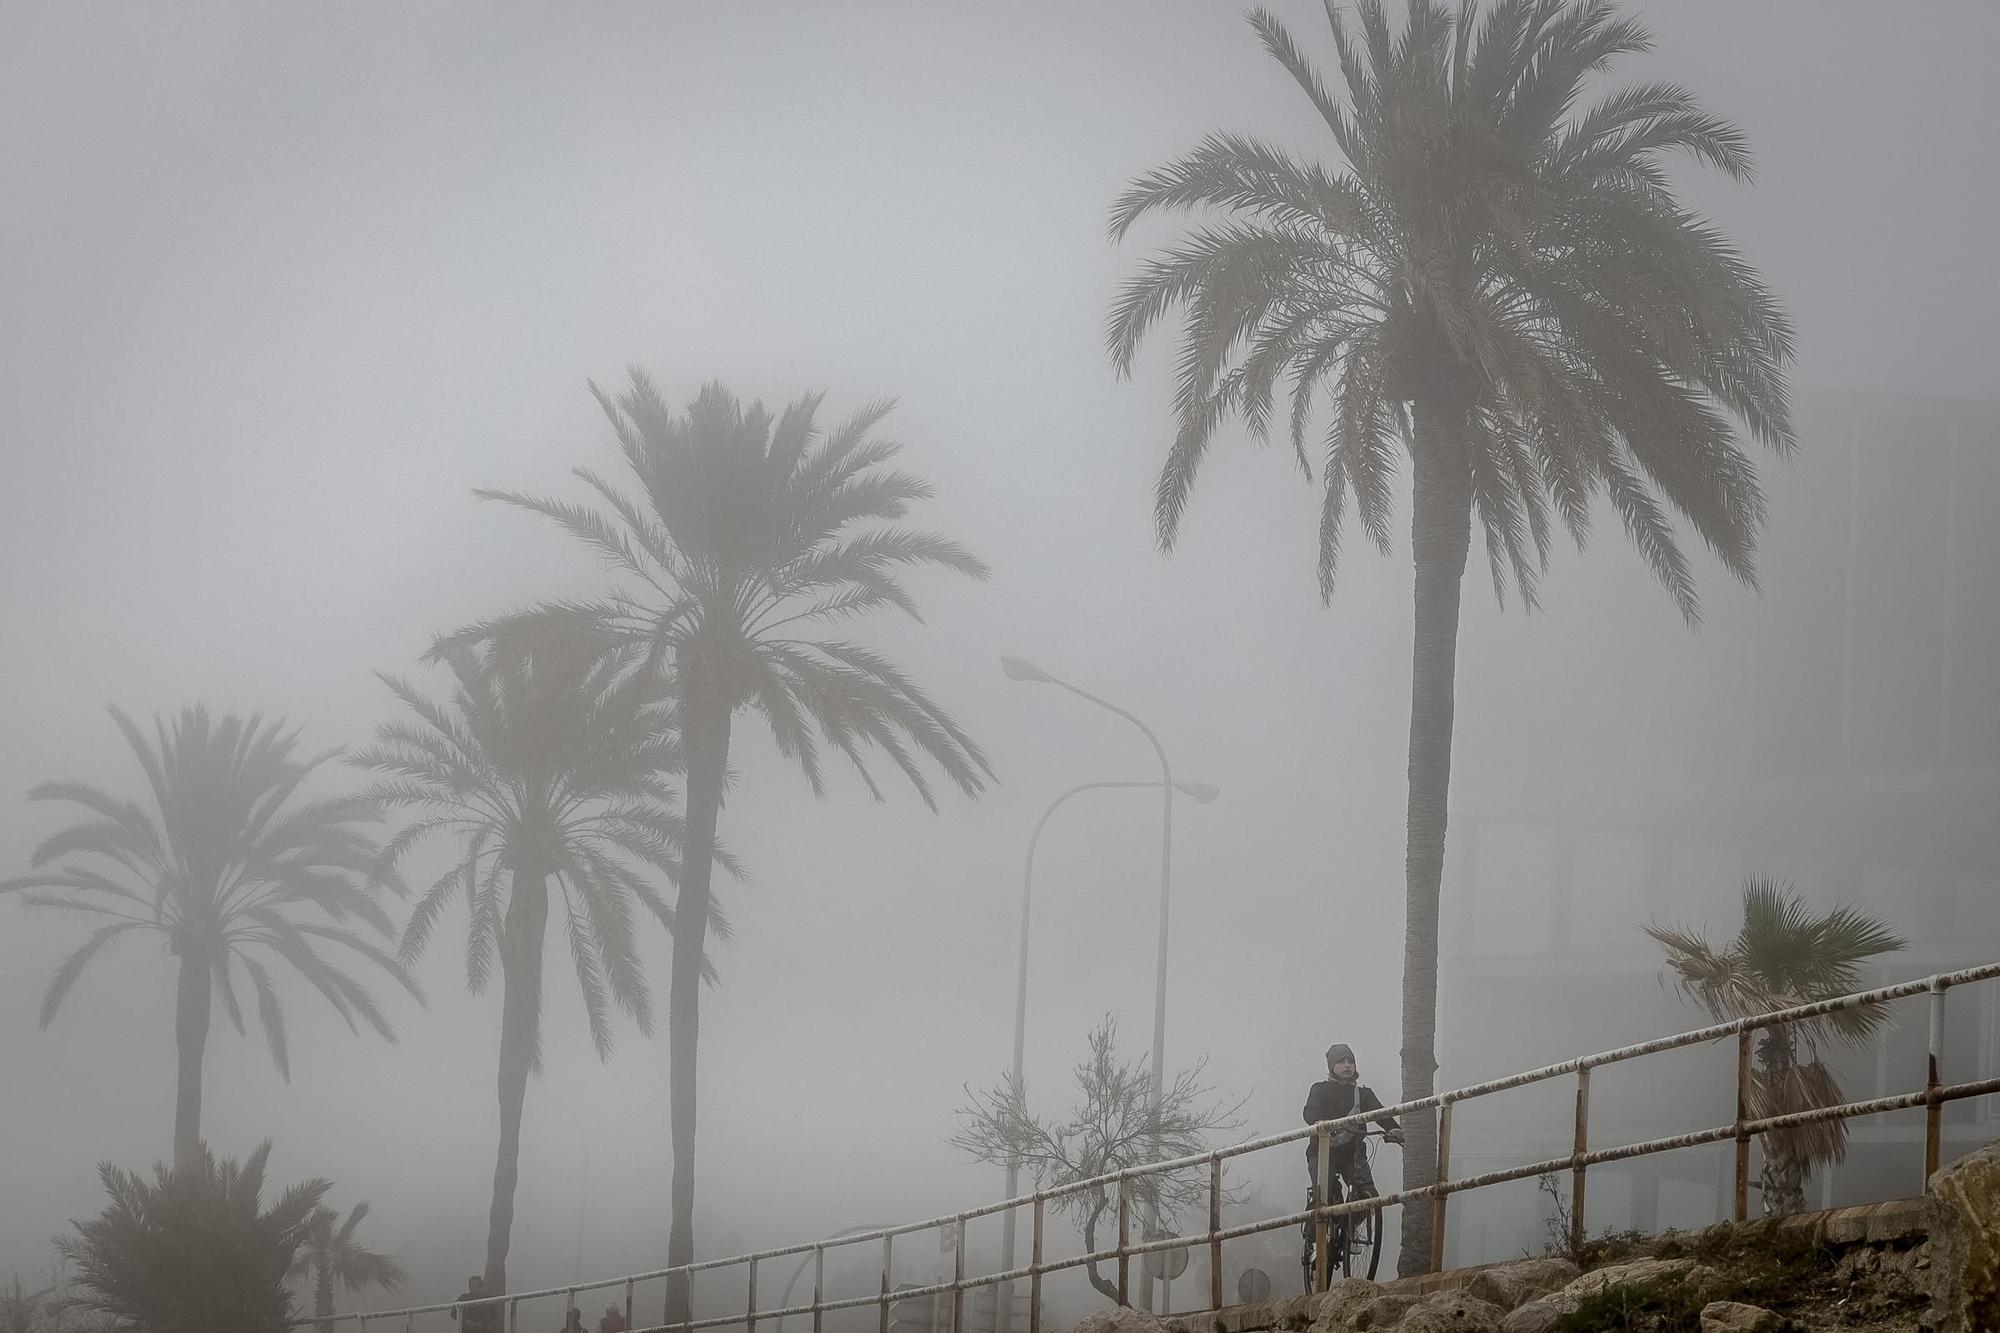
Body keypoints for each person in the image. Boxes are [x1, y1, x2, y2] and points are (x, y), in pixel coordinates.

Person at [1302, 1042, 1403, 1204]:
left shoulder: (1364, 1094)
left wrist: (1393, 1129)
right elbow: (1310, 1110)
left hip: (1352, 1152)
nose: (1347, 1065)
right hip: (1322, 1152)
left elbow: (1380, 1113)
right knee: (1323, 1199)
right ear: (1331, 1066)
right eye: (1341, 1061)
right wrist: (1318, 1121)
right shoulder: (1319, 1089)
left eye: (1350, 1061)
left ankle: (1350, 1226)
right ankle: (1317, 1227)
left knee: (1368, 1195)